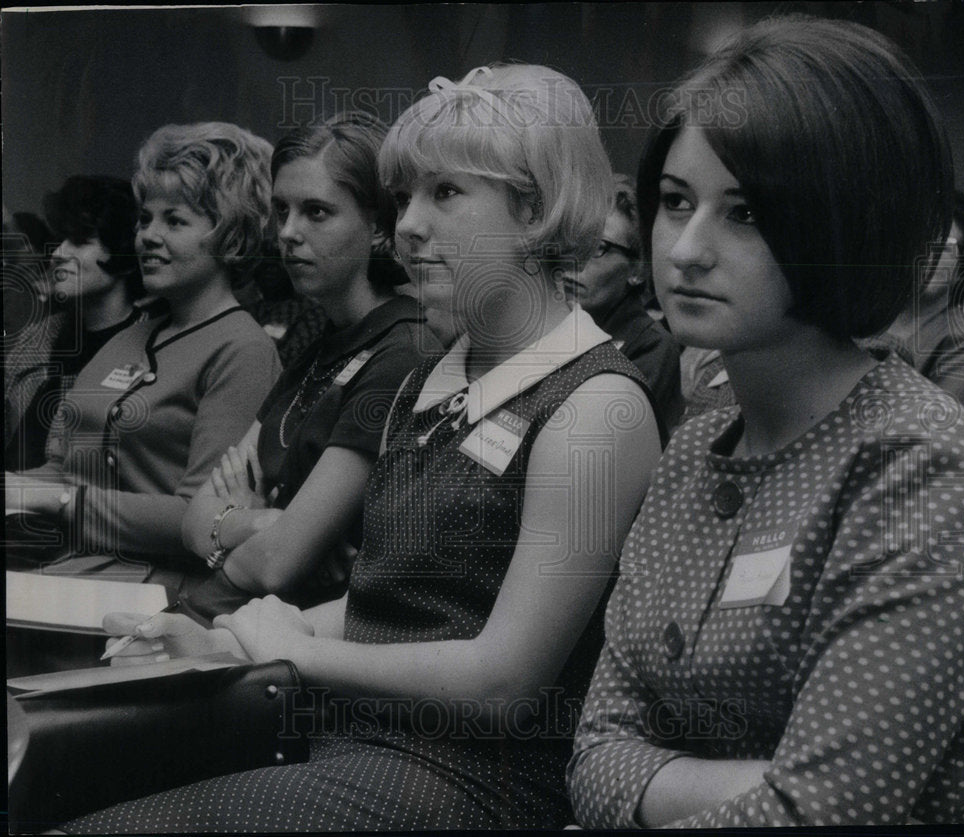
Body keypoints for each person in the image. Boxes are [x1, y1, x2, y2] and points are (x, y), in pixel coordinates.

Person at [64, 63, 661, 833]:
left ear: (536, 209)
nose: (407, 225)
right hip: (348, 732)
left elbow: (504, 680)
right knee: (58, 772)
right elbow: (388, 602)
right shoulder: (432, 376)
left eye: (444, 193)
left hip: (477, 781)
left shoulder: (597, 407)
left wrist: (298, 653)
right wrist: (225, 642)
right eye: (406, 194)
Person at [567, 16, 964, 828]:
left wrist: (687, 784)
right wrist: (776, 779)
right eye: (674, 201)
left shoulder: (923, 462)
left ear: (846, 228)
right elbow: (593, 752)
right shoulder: (697, 444)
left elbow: (824, 812)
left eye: (748, 214)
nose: (687, 248)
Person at [179, 112, 441, 617]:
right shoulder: (324, 344)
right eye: (282, 211)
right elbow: (194, 518)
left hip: (292, 646)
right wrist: (257, 522)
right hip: (230, 612)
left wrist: (243, 524)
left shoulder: (402, 350)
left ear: (379, 227)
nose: (289, 232)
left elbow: (279, 564)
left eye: (316, 212)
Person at [5, 123, 281, 584]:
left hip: (150, 590)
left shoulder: (243, 350)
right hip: (67, 571)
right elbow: (63, 468)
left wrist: (60, 501)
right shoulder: (132, 335)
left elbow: (202, 520)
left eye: (174, 221)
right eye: (145, 219)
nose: (147, 236)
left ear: (231, 238)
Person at [5, 176, 148, 472]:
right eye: (61, 239)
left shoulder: (149, 347)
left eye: (80, 241)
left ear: (121, 252)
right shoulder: (39, 336)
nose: (58, 253)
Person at [861, 191, 964, 440]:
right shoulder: (867, 318)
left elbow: (941, 437)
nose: (924, 255)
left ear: (963, 269)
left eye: (943, 248)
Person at [562, 173, 684, 441]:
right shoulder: (546, 321)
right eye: (573, 242)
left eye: (598, 248)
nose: (573, 262)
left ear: (638, 270)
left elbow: (598, 442)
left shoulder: (652, 347)